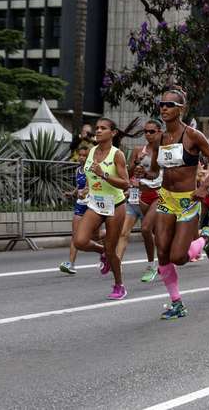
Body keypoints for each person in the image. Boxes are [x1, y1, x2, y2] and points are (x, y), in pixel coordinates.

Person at [149, 87, 209, 319]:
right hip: (165, 198)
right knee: (162, 252)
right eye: (161, 104)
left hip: (187, 200)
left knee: (178, 257)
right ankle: (176, 303)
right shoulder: (160, 138)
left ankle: (206, 237)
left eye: (170, 105)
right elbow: (155, 170)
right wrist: (141, 173)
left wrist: (204, 187)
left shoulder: (192, 135)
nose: (164, 108)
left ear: (181, 110)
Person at [72, 118, 139, 299]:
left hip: (115, 205)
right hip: (95, 203)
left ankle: (119, 285)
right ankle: (102, 252)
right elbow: (89, 175)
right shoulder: (92, 151)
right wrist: (86, 188)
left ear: (113, 133)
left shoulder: (117, 155)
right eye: (97, 128)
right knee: (80, 240)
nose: (98, 131)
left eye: (103, 128)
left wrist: (104, 174)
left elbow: (125, 184)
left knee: (112, 250)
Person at [117, 119, 162, 282]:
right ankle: (117, 263)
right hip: (137, 194)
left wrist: (146, 174)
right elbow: (127, 173)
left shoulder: (164, 151)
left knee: (146, 230)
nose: (148, 134)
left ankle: (152, 265)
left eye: (152, 131)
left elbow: (156, 174)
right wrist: (136, 162)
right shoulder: (138, 150)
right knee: (126, 232)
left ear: (160, 132)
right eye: (146, 131)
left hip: (157, 195)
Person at [59, 145, 90, 274]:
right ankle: (71, 264)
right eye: (80, 155)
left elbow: (89, 186)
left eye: (85, 156)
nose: (81, 158)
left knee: (95, 235)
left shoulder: (91, 170)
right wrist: (72, 193)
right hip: (80, 204)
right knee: (75, 235)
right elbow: (80, 186)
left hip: (91, 205)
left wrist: (86, 192)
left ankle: (105, 254)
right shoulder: (78, 170)